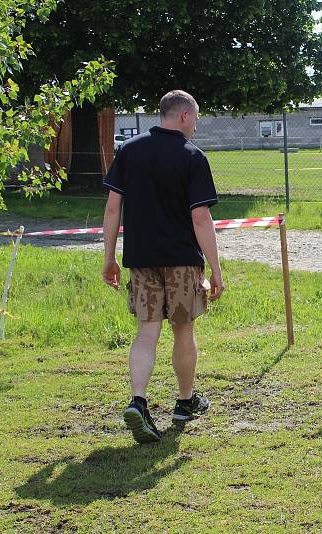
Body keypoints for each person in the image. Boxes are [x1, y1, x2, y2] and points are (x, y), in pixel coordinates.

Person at [102, 89, 224, 443]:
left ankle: (138, 401)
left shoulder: (129, 151)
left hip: (141, 260)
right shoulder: (193, 157)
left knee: (146, 332)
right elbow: (200, 218)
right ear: (184, 116)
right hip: (183, 260)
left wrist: (109, 257)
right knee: (183, 331)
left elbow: (112, 209)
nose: (197, 127)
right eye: (196, 118)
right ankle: (184, 403)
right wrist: (216, 269)